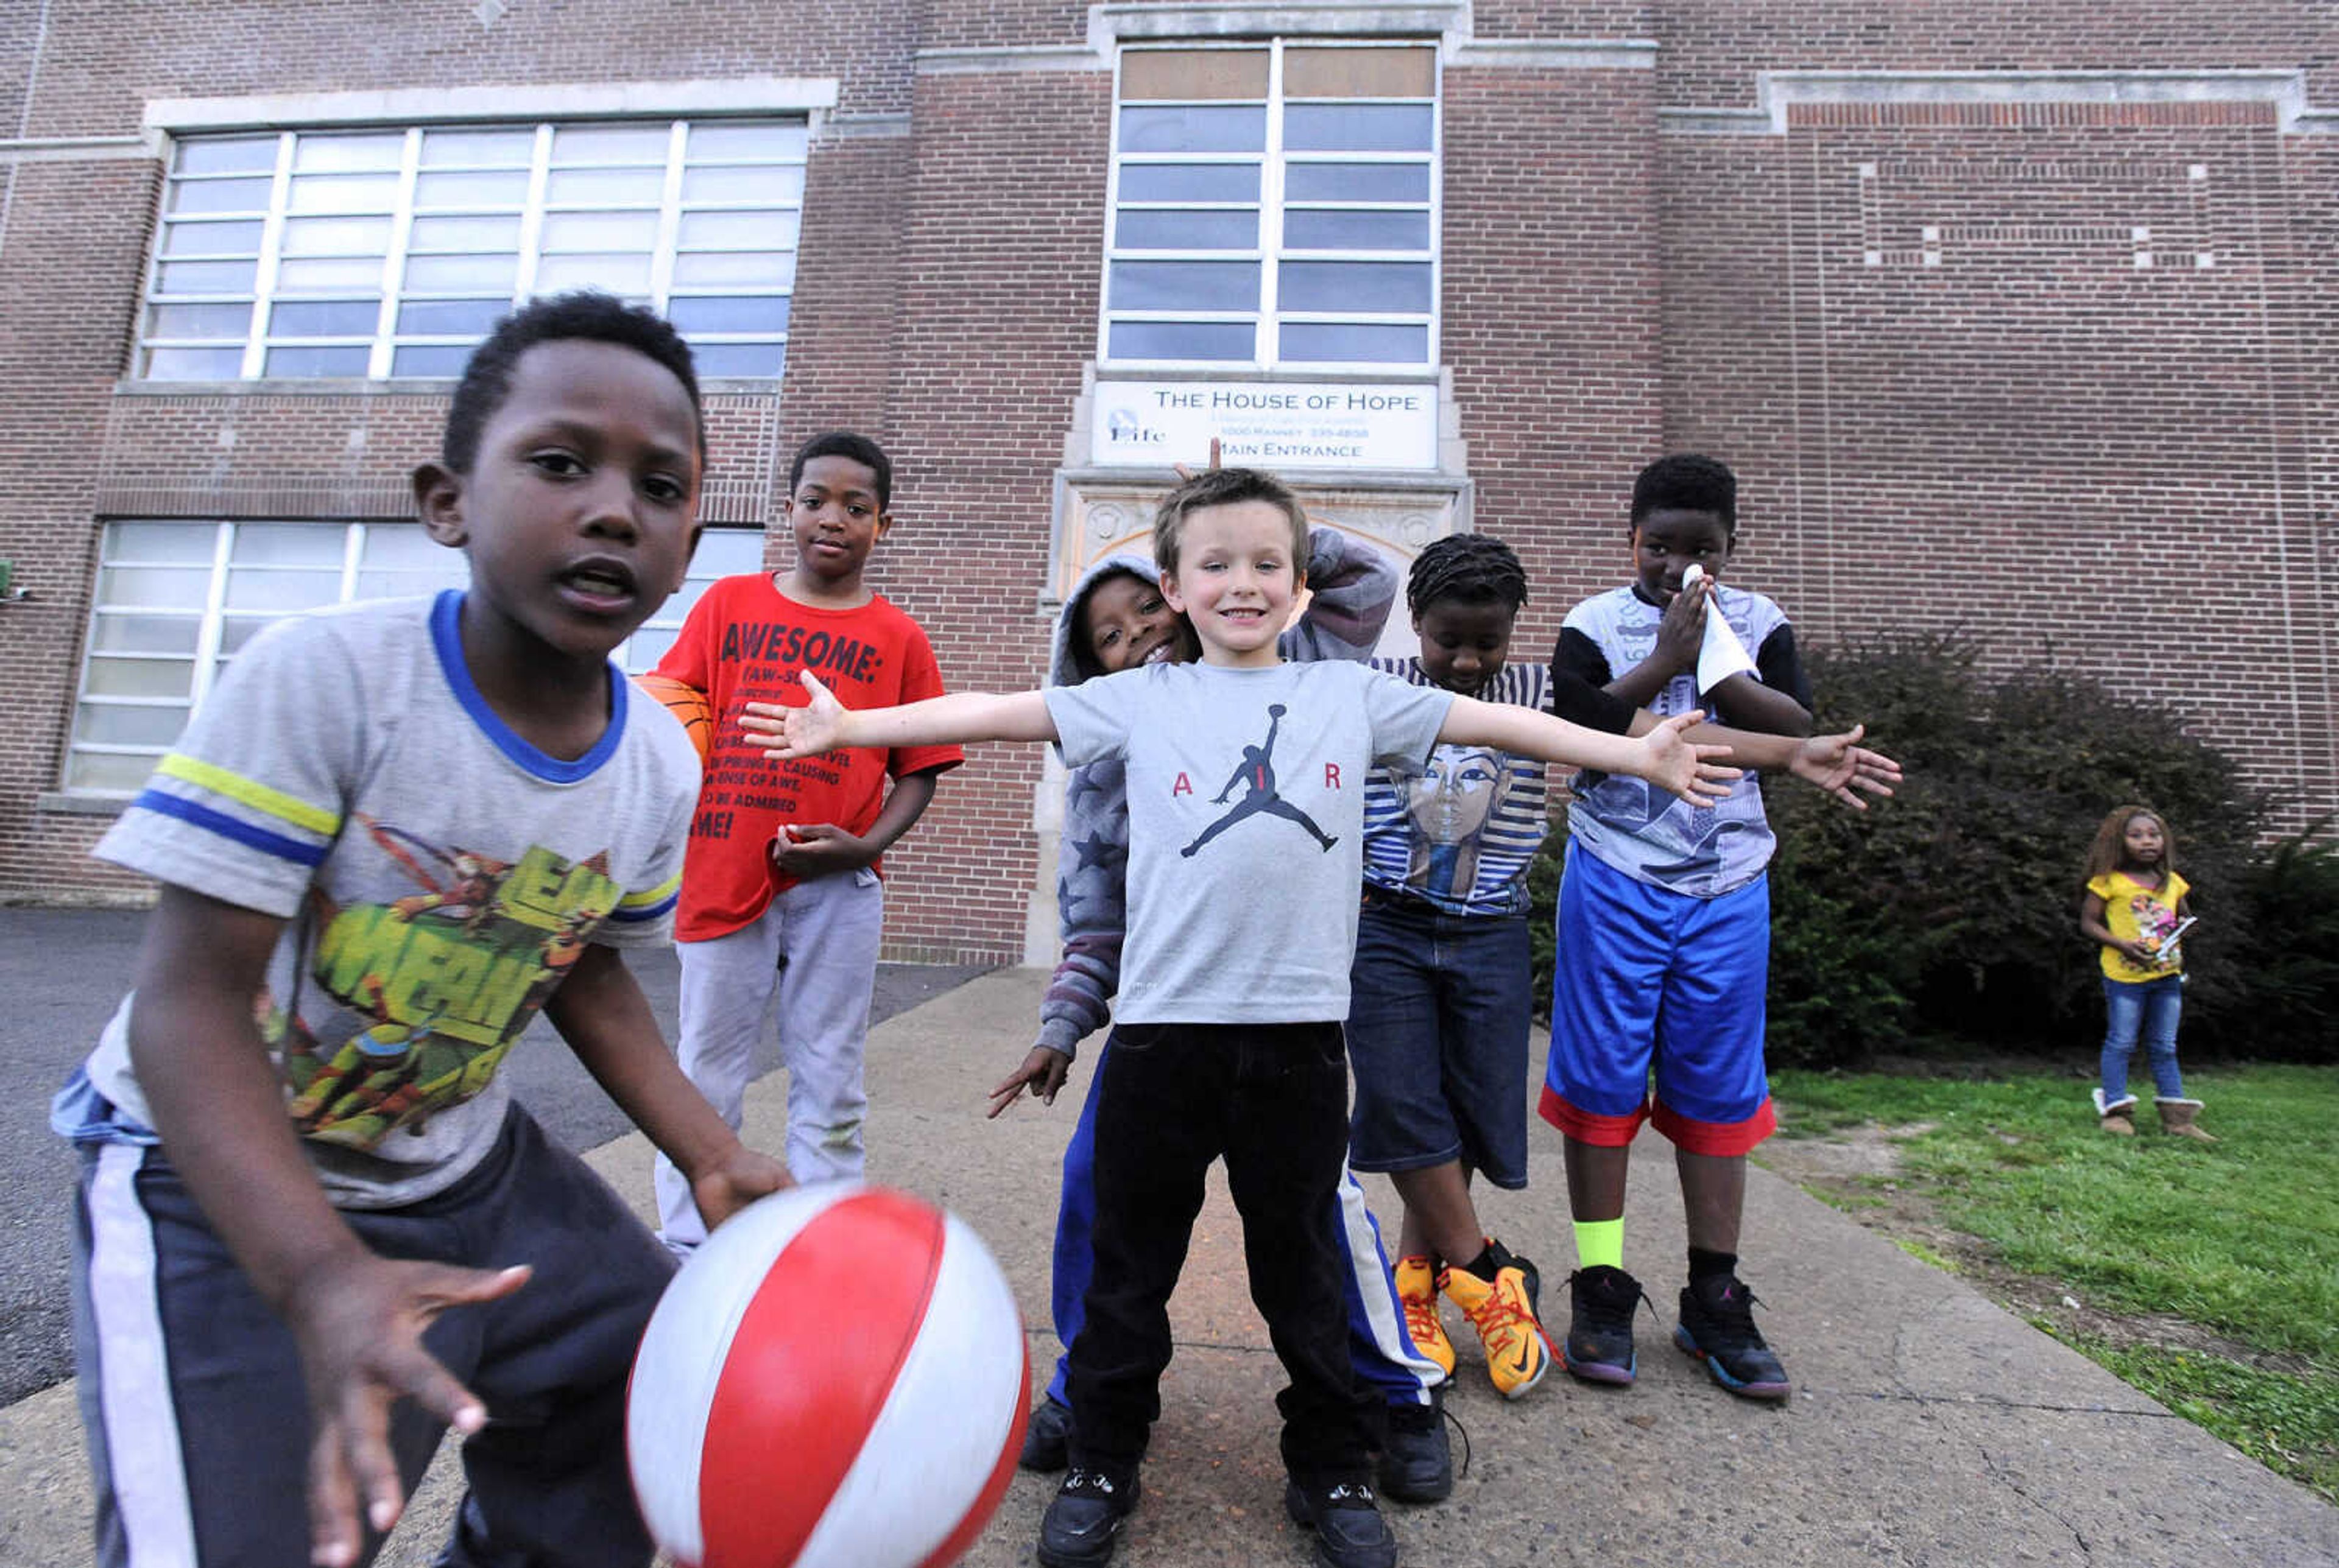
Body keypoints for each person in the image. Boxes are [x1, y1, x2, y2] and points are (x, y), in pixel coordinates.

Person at [748, 466, 1739, 1568]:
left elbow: (1507, 724)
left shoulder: (1352, 696)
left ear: (1303, 587)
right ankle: (1104, 1459)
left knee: (1303, 1277)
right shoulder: (1141, 698)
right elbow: (998, 712)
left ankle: (1331, 1467)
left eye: (1268, 562)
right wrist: (851, 729)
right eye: (1214, 564)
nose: (1243, 582)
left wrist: (1638, 750)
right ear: (1173, 586)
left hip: (1298, 1048)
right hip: (1164, 1042)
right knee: (1129, 1274)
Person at [48, 292, 793, 1568]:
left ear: (691, 541)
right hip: (218, 1179)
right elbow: (187, 1009)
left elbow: (582, 964)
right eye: (561, 464)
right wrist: (322, 1274)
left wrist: (711, 1156)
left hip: (464, 1166)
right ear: (446, 500)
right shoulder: (327, 680)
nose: (615, 507)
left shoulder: (660, 763)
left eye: (662, 486)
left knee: (654, 1378)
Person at [1361, 536, 1902, 1405]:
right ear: (1413, 621)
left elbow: (1651, 734)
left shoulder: (1538, 688)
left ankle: (1423, 1277)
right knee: (1401, 1099)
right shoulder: (1369, 677)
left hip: (1489, 932)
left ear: (1513, 634)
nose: (1466, 660)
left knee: (1462, 1111)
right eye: (1446, 639)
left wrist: (1788, 754)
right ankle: (1464, 1275)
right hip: (1385, 922)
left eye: (1486, 643)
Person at [994, 510, 1456, 1503]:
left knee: (1318, 1208)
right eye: (1106, 640)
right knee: (1094, 1187)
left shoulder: (1287, 670)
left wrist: (1219, 514)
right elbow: (1091, 930)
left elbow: (1364, 582)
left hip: (1283, 1017)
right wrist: (1060, 1030)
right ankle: (1093, 1389)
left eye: (1139, 616)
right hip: (1168, 1022)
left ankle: (1393, 1390)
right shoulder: (1107, 771)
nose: (1134, 642)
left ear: (1175, 595)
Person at [1542, 452, 1826, 1404]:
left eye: (1700, 547)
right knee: (1602, 1074)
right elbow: (1586, 722)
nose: (1677, 562)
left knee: (1715, 1082)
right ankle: (1601, 1283)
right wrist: (1665, 656)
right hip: (1617, 875)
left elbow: (1794, 729)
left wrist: (1714, 656)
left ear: (1731, 547)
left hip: (1729, 883)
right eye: (1658, 544)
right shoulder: (1591, 624)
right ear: (1631, 539)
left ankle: (1714, 1290)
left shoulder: (1761, 623)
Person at [647, 431, 961, 1250]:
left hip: (838, 886)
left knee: (830, 1071)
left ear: (882, 525)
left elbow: (920, 768)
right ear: (786, 508)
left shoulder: (900, 637)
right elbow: (670, 720)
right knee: (703, 1071)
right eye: (816, 499)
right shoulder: (726, 606)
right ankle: (688, 1242)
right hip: (722, 868)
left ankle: (822, 1237)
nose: (834, 518)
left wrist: (863, 849)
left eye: (857, 507)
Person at [2079, 805, 2210, 1140]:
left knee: (2165, 1045)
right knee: (2121, 1042)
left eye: (2154, 836)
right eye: (2136, 835)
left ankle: (2178, 1120)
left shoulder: (2174, 883)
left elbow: (2184, 919)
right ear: (2119, 842)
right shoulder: (2107, 883)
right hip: (2124, 978)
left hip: (2166, 977)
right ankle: (2117, 1113)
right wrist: (2122, 944)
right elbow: (2088, 923)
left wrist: (2187, 928)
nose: (2147, 842)